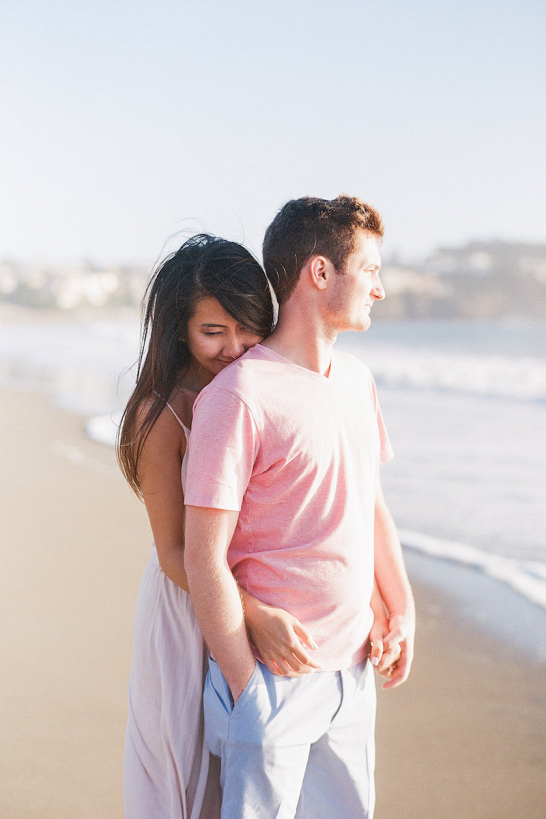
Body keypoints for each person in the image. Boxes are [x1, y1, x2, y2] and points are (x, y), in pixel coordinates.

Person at [118, 233, 398, 819]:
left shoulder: (266, 389)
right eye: (212, 333)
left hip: (245, 589)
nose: (234, 346)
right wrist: (251, 616)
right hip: (188, 600)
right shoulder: (163, 412)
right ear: (180, 333)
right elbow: (174, 549)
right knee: (192, 779)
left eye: (248, 328)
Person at [183, 196, 416, 819]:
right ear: (319, 273)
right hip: (272, 679)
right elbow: (202, 556)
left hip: (353, 671)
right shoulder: (239, 397)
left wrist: (402, 608)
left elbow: (370, 506)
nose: (380, 289)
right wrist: (246, 686)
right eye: (368, 271)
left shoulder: (358, 381)